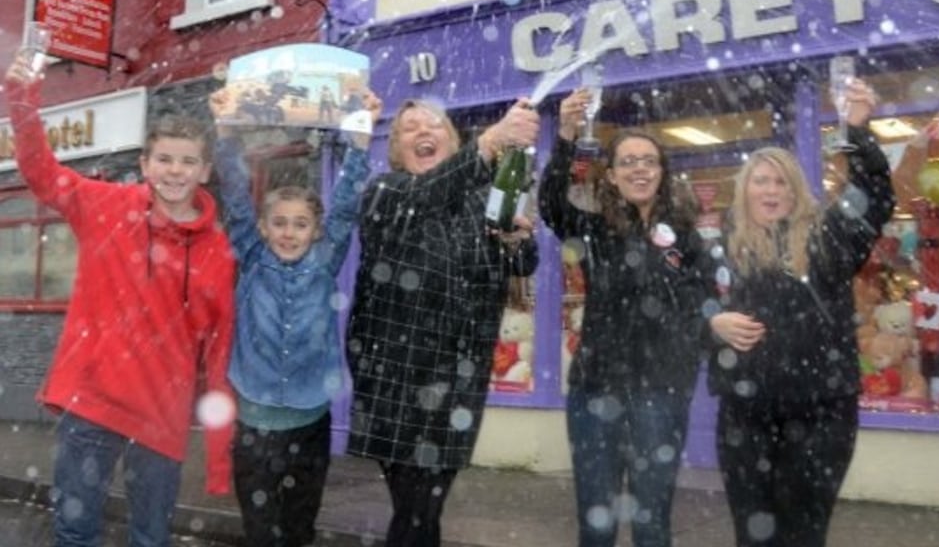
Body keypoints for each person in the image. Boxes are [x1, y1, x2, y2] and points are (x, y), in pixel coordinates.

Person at [4, 55, 236, 546]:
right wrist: (22, 102)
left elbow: (218, 353)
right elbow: (42, 174)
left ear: (205, 170)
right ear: (144, 164)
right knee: (75, 530)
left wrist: (218, 454)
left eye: (187, 161)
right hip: (92, 404)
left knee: (150, 538)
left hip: (162, 415)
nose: (175, 171)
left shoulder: (218, 252)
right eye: (165, 159)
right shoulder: (106, 207)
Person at [705, 78, 893, 547]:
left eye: (782, 181)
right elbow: (681, 310)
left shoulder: (828, 238)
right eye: (761, 181)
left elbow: (875, 200)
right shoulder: (720, 247)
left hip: (820, 414)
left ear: (796, 191)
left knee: (803, 533)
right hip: (744, 416)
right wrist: (709, 323)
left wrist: (857, 131)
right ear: (745, 189)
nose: (771, 190)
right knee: (753, 534)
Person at [345, 97, 540, 547]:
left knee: (424, 514)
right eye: (410, 128)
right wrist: (491, 141)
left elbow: (522, 262)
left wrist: (514, 240)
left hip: (457, 380)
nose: (423, 132)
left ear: (452, 142)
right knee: (416, 514)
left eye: (434, 125)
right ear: (396, 148)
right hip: (396, 378)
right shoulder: (387, 192)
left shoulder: (480, 201)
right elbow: (426, 194)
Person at [209, 89, 380, 547]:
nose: (288, 232)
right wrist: (226, 134)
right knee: (262, 533)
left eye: (300, 223)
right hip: (254, 428)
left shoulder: (324, 261)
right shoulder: (252, 256)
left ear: (315, 230)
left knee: (299, 530)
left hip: (309, 425)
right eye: (279, 223)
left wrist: (360, 143)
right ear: (264, 228)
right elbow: (237, 198)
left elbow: (344, 207)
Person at [538, 88, 707, 547]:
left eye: (648, 161)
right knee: (597, 522)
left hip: (660, 395)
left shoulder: (687, 239)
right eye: (628, 161)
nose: (639, 168)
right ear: (610, 175)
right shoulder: (595, 231)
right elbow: (552, 204)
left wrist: (685, 360)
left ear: (662, 173)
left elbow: (703, 308)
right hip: (596, 393)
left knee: (653, 522)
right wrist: (568, 135)